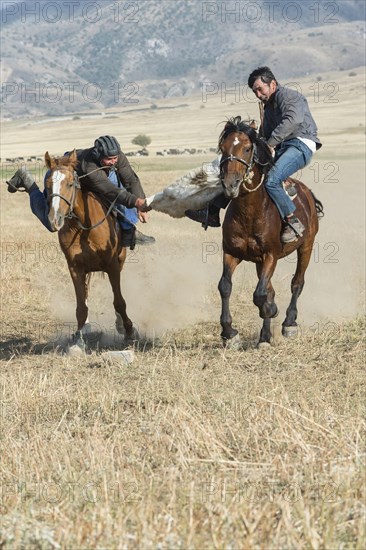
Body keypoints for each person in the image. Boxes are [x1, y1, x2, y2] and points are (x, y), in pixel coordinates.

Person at [186, 66, 322, 243]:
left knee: (272, 180)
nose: (258, 94)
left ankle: (292, 221)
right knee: (241, 170)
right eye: (254, 91)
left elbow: (293, 120)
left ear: (272, 84)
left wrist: (270, 143)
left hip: (300, 144)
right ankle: (212, 212)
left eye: (260, 89)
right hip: (281, 146)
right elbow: (266, 136)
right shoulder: (268, 107)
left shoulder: (288, 96)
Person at [7, 135, 155, 248]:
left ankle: (128, 229)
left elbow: (130, 178)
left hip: (93, 175)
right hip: (62, 174)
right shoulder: (88, 166)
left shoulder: (117, 157)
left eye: (115, 158)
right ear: (98, 155)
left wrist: (140, 205)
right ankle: (27, 181)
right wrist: (136, 202)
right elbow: (109, 191)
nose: (113, 161)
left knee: (121, 184)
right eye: (109, 159)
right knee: (52, 223)